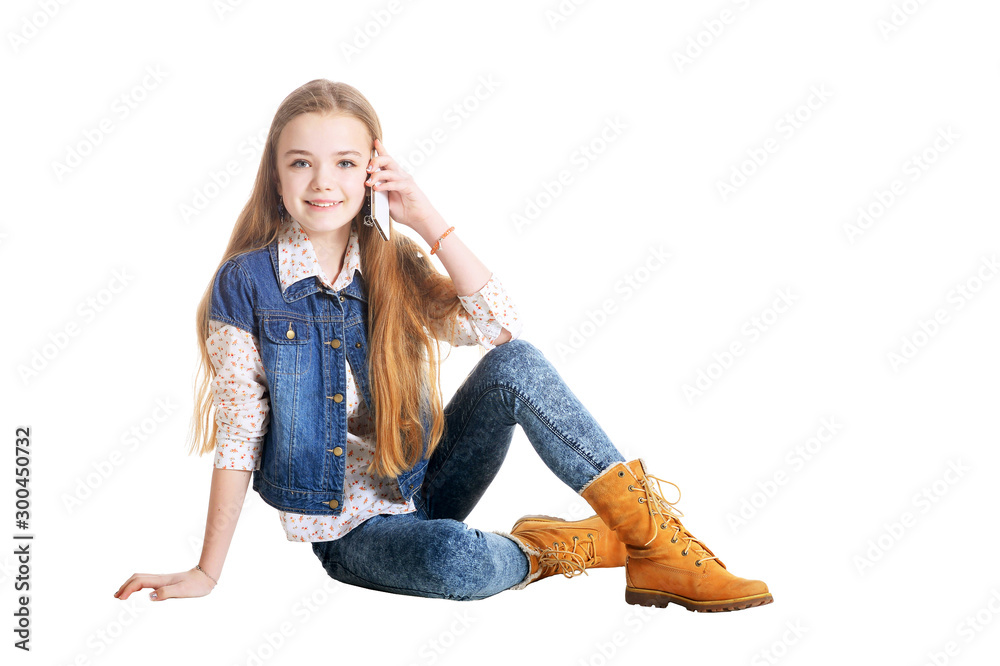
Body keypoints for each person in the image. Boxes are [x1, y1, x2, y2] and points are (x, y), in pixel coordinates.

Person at [114, 79, 773, 612]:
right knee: (456, 559)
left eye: (345, 162)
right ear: (277, 175)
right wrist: (207, 569)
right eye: (301, 162)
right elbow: (239, 434)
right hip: (354, 535)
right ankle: (566, 547)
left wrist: (425, 217)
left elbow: (499, 328)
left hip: (424, 479)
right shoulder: (247, 285)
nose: (323, 181)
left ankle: (657, 542)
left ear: (372, 170)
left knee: (516, 364)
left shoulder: (389, 262)